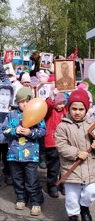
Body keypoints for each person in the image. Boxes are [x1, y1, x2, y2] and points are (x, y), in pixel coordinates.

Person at [4, 87, 45, 216]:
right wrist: (14, 131)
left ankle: (36, 202)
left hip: (31, 155)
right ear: (17, 102)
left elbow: (43, 131)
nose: (25, 104)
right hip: (14, 155)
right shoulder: (11, 115)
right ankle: (21, 198)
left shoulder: (37, 114)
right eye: (22, 102)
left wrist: (31, 132)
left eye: (27, 101)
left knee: (31, 180)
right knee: (17, 179)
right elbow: (4, 131)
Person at [55, 89, 95, 221]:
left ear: (86, 109)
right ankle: (73, 215)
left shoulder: (92, 125)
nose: (77, 112)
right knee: (72, 197)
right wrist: (77, 153)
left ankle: (84, 207)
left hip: (90, 168)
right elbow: (61, 146)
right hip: (71, 168)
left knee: (91, 192)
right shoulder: (63, 126)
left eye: (81, 109)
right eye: (74, 108)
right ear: (69, 108)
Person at [44, 91, 67, 198]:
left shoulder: (65, 111)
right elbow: (48, 105)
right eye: (59, 103)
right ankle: (52, 185)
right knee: (53, 166)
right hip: (52, 143)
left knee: (64, 165)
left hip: (64, 143)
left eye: (63, 103)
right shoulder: (50, 111)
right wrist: (52, 97)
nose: (61, 105)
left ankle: (63, 184)